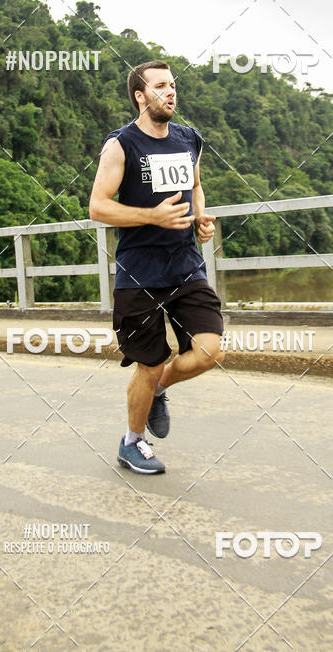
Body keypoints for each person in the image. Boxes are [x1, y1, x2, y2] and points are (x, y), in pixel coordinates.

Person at [89, 60, 225, 474]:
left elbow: (196, 187)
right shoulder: (121, 145)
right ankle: (131, 443)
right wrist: (153, 216)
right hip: (139, 272)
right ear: (140, 96)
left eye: (173, 85)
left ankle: (159, 391)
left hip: (186, 265)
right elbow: (98, 206)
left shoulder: (188, 140)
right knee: (148, 361)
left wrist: (201, 218)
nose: (171, 92)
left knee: (208, 351)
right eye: (161, 86)